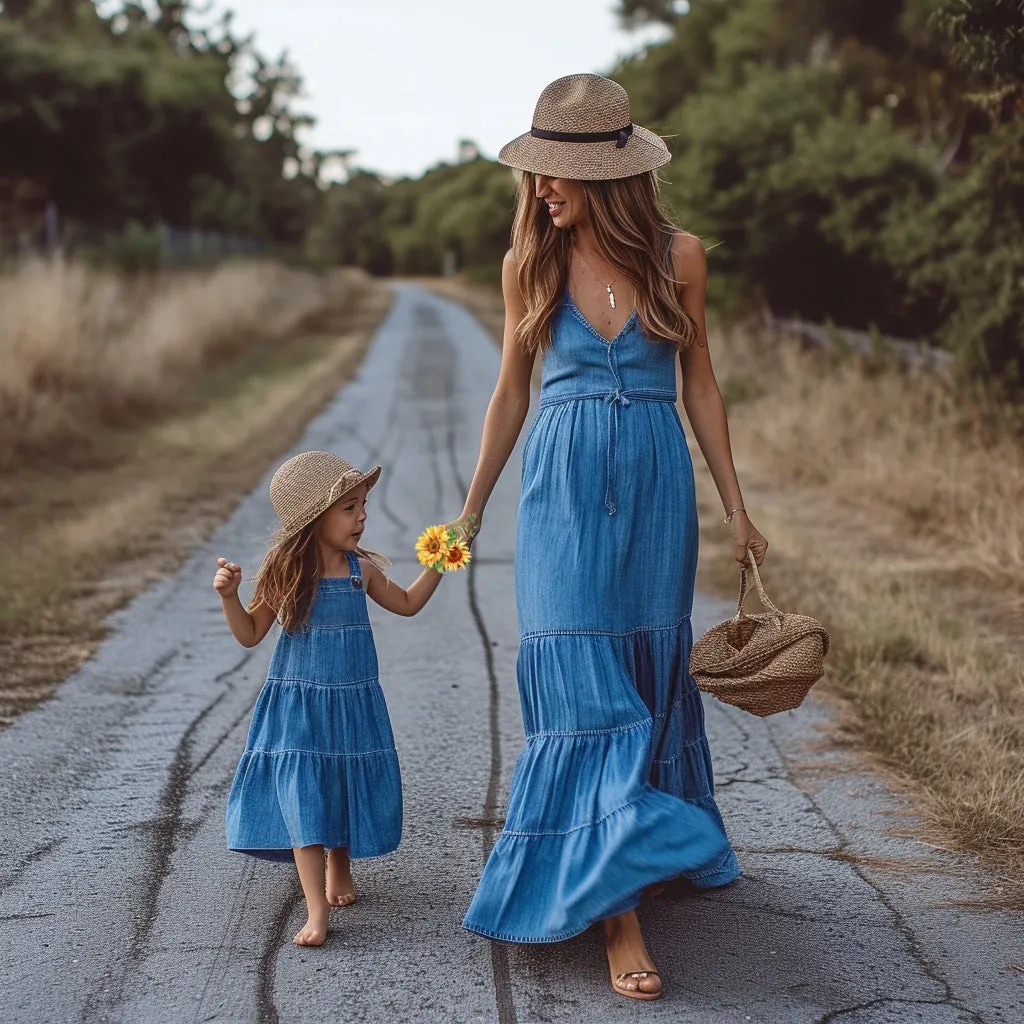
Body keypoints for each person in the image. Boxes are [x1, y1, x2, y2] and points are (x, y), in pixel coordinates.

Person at [454, 74, 769, 1000]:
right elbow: (511, 392)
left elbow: (702, 386)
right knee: (581, 676)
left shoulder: (682, 256)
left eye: (558, 174)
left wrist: (736, 507)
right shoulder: (531, 265)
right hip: (560, 485)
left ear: (609, 176)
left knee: (644, 666)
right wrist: (470, 512)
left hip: (656, 480)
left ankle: (639, 846)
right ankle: (616, 914)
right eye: (537, 172)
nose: (541, 189)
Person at [213, 450, 446, 947]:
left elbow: (406, 604)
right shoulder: (288, 572)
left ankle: (341, 866)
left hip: (353, 700)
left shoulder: (360, 568)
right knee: (306, 791)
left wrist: (439, 563)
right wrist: (231, 598)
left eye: (363, 505)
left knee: (341, 778)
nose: (362, 516)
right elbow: (252, 633)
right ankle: (316, 907)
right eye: (349, 508)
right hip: (300, 706)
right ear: (313, 517)